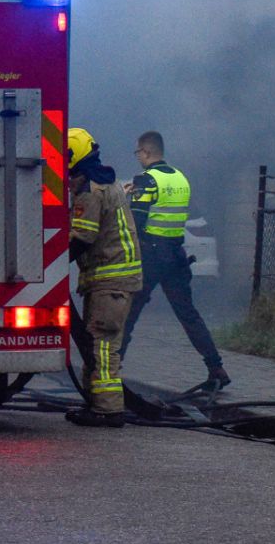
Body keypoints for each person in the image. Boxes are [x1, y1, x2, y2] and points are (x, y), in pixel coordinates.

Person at [121, 130, 230, 393]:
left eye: (138, 152)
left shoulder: (145, 180)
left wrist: (126, 198)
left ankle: (110, 366)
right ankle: (216, 368)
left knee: (128, 313)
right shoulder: (181, 178)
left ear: (146, 152)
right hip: (176, 255)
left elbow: (135, 222)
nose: (137, 157)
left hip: (151, 255)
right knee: (188, 314)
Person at [62, 128, 144, 429]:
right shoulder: (100, 183)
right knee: (94, 342)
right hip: (109, 280)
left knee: (102, 346)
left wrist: (52, 267)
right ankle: (96, 405)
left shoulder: (91, 191)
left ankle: (108, 411)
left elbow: (83, 237)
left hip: (111, 281)